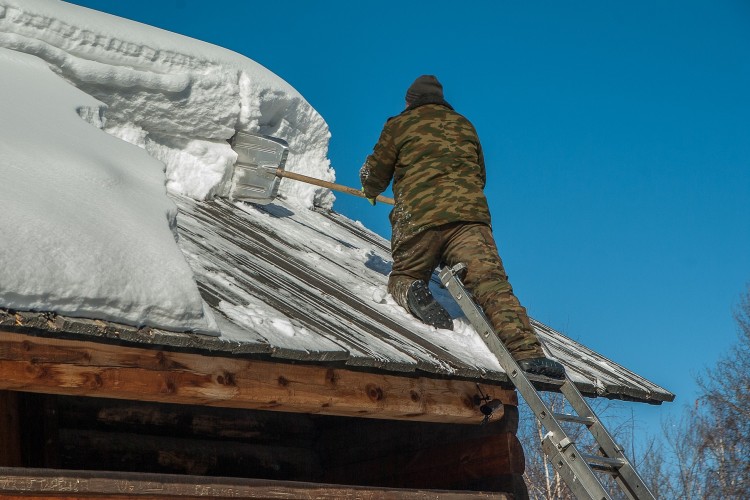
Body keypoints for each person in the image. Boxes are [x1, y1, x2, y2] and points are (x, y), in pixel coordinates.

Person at [360, 75, 564, 379]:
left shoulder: (399, 124)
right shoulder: (465, 125)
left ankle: (413, 289)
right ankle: (528, 353)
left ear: (410, 101)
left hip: (419, 217)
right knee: (492, 285)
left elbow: (375, 173)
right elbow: (479, 174)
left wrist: (370, 189)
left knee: (406, 272)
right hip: (469, 219)